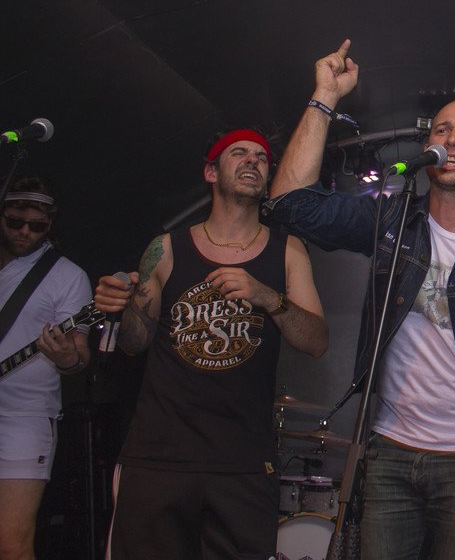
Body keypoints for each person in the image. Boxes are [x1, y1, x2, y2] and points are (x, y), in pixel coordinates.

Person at [265, 39, 455, 560]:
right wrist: (324, 98)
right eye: (442, 129)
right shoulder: (390, 221)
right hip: (389, 455)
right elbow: (290, 204)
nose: (452, 139)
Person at [93, 128, 328, 560]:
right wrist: (121, 306)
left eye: (261, 157)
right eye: (238, 153)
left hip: (243, 464)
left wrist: (268, 297)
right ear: (210, 172)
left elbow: (316, 341)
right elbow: (134, 343)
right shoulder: (165, 249)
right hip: (159, 459)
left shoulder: (288, 251)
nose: (253, 161)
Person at [0, 175, 92, 560]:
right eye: (15, 222)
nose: (25, 232)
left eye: (36, 226)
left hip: (24, 417)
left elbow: (79, 357)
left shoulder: (67, 276)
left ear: (50, 224)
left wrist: (66, 356)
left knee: (11, 543)